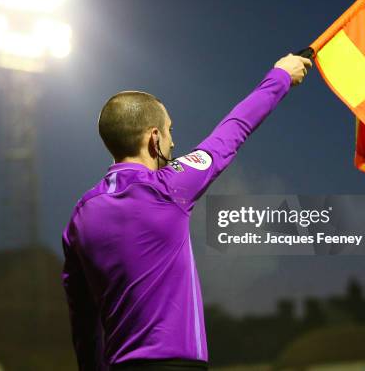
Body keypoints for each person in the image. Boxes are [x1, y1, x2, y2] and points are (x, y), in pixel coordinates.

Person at [61, 54, 312, 370]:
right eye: (168, 130)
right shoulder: (168, 187)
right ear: (154, 139)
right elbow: (233, 131)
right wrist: (280, 76)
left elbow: (82, 319)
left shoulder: (79, 217)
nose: (173, 140)